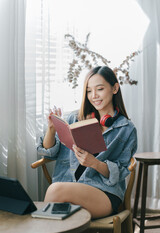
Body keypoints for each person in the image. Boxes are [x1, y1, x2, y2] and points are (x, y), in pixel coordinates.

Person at [37, 66, 137, 219]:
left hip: (104, 193)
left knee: (54, 191)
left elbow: (122, 171)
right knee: (55, 207)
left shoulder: (126, 129)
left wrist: (94, 163)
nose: (94, 95)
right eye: (89, 91)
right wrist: (51, 129)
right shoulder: (74, 119)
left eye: (100, 89)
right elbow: (50, 151)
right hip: (68, 185)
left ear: (115, 88)